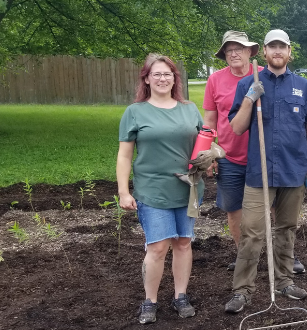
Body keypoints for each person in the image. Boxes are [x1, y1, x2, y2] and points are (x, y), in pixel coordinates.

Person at [224, 29, 307, 314]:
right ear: (264, 52)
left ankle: (284, 281)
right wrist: (249, 99)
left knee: (286, 229)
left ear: (290, 52)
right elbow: (237, 127)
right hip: (259, 173)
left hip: (294, 171)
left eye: (282, 47)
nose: (277, 51)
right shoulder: (248, 83)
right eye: (272, 47)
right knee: (252, 232)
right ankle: (242, 290)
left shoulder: (303, 86)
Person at [202, 31, 306, 274]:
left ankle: (282, 256)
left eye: (239, 48)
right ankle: (247, 258)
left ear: (251, 52)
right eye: (228, 50)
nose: (234, 53)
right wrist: (207, 152)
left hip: (266, 157)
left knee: (275, 209)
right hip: (230, 158)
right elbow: (209, 121)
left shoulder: (265, 75)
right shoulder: (215, 80)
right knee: (235, 210)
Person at [116, 53, 202, 324]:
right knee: (157, 247)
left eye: (168, 74)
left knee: (184, 243)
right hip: (152, 189)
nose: (163, 78)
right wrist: (123, 191)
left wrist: (209, 159)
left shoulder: (189, 108)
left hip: (187, 189)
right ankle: (149, 301)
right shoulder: (135, 112)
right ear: (147, 79)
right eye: (157, 74)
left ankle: (180, 296)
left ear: (175, 78)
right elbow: (124, 156)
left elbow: (203, 144)